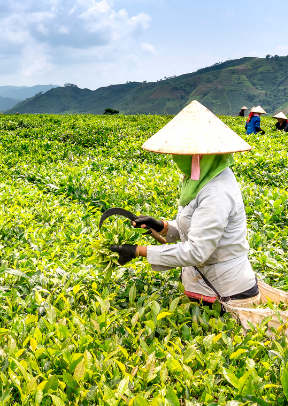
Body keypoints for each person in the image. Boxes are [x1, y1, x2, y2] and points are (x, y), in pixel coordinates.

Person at [108, 100, 258, 306]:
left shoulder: (217, 192)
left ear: (197, 156)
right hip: (201, 284)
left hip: (226, 293)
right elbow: (198, 226)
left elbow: (197, 251)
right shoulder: (199, 179)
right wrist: (163, 226)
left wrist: (137, 251)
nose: (176, 158)